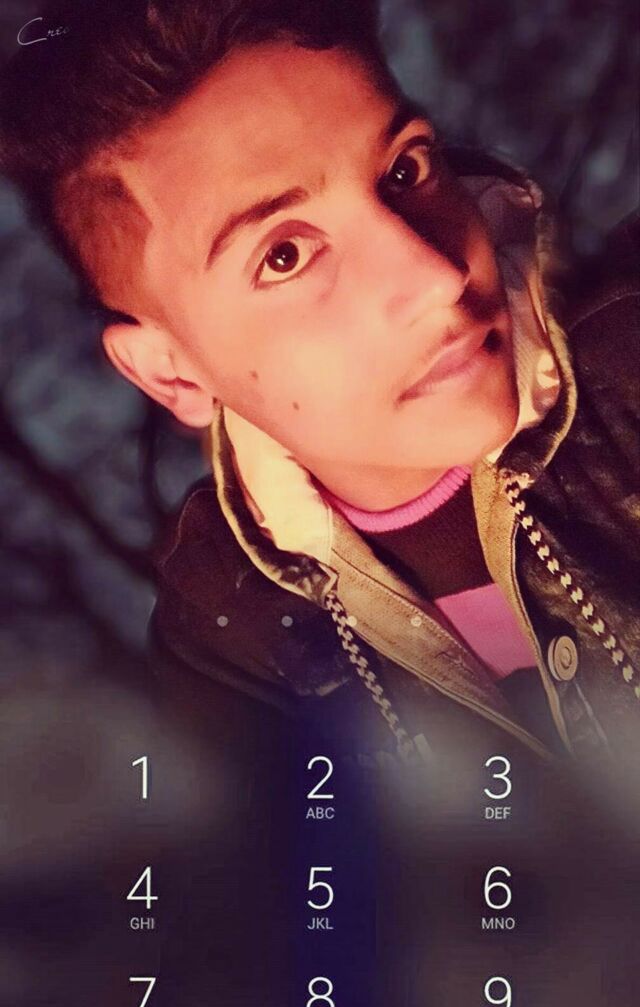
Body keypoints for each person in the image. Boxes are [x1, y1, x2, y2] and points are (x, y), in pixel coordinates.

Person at [1, 0, 638, 780]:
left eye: (404, 170)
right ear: (172, 371)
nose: (435, 278)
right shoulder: (229, 638)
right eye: (286, 255)